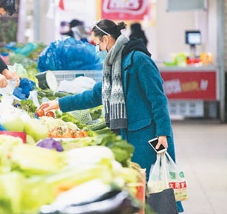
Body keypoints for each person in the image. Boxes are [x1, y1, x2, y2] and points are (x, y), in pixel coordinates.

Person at [38, 19, 183, 212]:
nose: (97, 48)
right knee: (139, 187)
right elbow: (95, 95)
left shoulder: (139, 60)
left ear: (106, 39)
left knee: (157, 188)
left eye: (97, 43)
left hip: (148, 135)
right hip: (128, 133)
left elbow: (158, 98)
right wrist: (58, 103)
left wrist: (163, 133)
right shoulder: (113, 64)